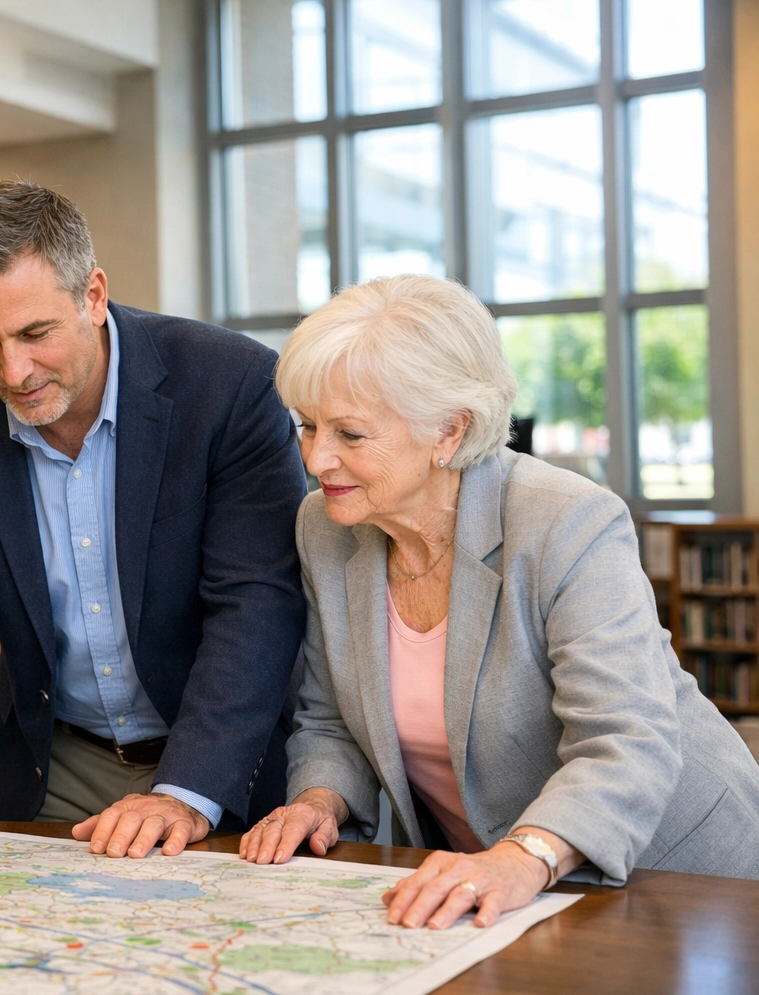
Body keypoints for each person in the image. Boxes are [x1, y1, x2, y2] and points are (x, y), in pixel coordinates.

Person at [243, 274, 759, 928]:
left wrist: (520, 857)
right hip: (491, 890)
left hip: (679, 880)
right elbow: (329, 719)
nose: (317, 459)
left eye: (350, 434)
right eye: (308, 426)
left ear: (449, 432)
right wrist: (318, 801)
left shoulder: (567, 521)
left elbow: (625, 739)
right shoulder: (325, 527)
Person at [0, 180, 306, 857]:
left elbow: (256, 603)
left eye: (35, 334)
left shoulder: (230, 385)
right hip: (55, 763)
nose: (13, 372)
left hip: (217, 759)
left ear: (93, 295)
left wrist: (184, 792)